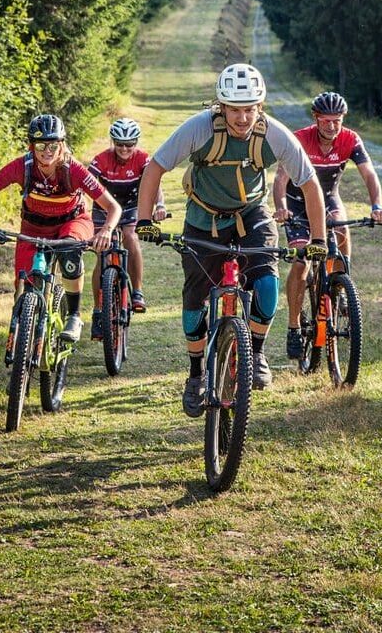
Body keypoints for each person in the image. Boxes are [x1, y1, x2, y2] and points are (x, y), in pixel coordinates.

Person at [134, 63, 328, 417]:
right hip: (203, 217)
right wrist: (144, 220)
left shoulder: (274, 134)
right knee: (194, 296)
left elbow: (309, 182)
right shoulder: (200, 128)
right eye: (234, 109)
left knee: (267, 281)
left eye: (249, 108)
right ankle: (195, 375)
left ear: (260, 106)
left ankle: (255, 351)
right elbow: (155, 166)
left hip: (251, 214)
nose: (242, 118)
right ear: (220, 107)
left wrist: (318, 238)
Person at [0, 113, 121, 348]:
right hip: (34, 227)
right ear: (32, 145)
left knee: (70, 252)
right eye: (41, 145)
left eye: (53, 145)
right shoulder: (23, 166)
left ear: (61, 145)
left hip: (71, 222)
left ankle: (73, 316)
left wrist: (106, 231)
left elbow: (113, 207)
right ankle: (25, 337)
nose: (47, 151)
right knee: (25, 284)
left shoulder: (74, 170)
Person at [273, 91, 382, 359]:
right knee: (302, 260)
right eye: (325, 121)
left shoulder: (350, 139)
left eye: (336, 120)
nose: (331, 126)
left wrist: (377, 206)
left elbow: (369, 173)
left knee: (342, 233)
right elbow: (280, 179)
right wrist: (281, 207)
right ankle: (293, 326)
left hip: (328, 199)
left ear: (342, 119)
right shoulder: (300, 139)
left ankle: (340, 287)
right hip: (297, 204)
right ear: (316, 118)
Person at [87, 116, 168, 339]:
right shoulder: (100, 160)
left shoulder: (142, 159)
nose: (124, 149)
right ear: (113, 142)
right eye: (120, 144)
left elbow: (154, 184)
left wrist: (159, 205)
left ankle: (138, 291)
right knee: (102, 252)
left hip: (132, 207)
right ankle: (97, 310)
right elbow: (84, 186)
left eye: (129, 144)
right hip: (104, 209)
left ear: (136, 143)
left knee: (131, 237)